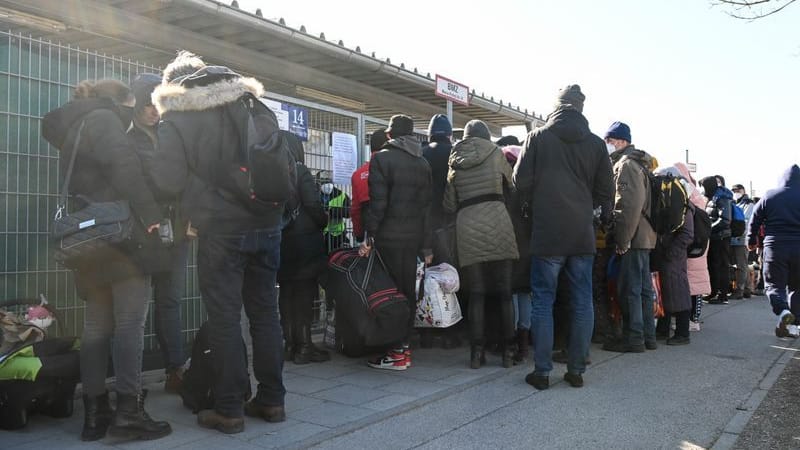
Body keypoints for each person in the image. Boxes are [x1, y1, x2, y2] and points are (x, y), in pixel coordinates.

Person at [151, 52, 285, 434]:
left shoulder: (180, 115)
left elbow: (168, 181)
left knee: (225, 318)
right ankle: (272, 400)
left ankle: (229, 409)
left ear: (179, 85)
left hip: (222, 229)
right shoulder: (256, 106)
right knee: (265, 313)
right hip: (268, 223)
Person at [42, 79, 171, 441]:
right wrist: (151, 216)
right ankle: (129, 412)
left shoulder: (75, 127)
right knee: (130, 322)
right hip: (119, 238)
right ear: (121, 104)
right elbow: (125, 169)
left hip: (87, 240)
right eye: (131, 108)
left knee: (96, 327)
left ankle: (95, 414)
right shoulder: (105, 119)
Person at [513, 85, 614, 390]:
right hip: (581, 234)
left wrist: (535, 204)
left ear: (557, 106)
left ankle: (542, 372)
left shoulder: (538, 138)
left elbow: (520, 182)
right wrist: (589, 209)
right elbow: (606, 191)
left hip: (547, 232)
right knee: (583, 300)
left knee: (543, 299)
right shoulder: (597, 145)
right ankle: (576, 369)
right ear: (581, 108)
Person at [128, 73, 188, 393]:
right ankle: (131, 380)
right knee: (134, 307)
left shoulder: (168, 135)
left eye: (157, 103)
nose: (153, 110)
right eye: (146, 103)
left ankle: (174, 370)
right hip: (142, 230)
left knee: (170, 300)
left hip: (175, 230)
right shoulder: (128, 137)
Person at [443, 120, 519, 369]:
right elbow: (511, 186)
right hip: (499, 224)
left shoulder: (454, 161)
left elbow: (449, 205)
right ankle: (509, 352)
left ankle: (476, 354)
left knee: (476, 294)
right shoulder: (496, 153)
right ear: (486, 136)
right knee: (505, 293)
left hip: (467, 228)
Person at [361, 114, 433, 371]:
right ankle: (405, 349)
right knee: (407, 292)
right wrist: (426, 247)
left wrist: (369, 236)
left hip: (388, 238)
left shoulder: (381, 159)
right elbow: (427, 210)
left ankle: (394, 352)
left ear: (390, 135)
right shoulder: (423, 163)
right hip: (413, 239)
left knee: (389, 294)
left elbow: (377, 204)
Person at [602, 121, 658, 354]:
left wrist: (623, 240)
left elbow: (628, 206)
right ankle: (647, 336)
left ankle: (634, 338)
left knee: (631, 289)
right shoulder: (639, 164)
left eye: (610, 140)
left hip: (634, 237)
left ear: (622, 141)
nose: (608, 145)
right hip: (645, 236)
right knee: (643, 288)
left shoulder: (626, 165)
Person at [278, 131, 330, 364]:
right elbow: (312, 204)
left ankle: (290, 345)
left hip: (282, 241)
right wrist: (323, 220)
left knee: (286, 292)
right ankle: (305, 346)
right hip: (305, 242)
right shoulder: (300, 170)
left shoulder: (273, 172)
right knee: (304, 294)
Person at [747, 165, 800, 338]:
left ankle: (783, 311)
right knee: (797, 288)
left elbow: (755, 220)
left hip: (775, 246)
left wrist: (751, 240)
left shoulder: (770, 195)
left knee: (774, 285)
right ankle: (793, 327)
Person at [653, 166, 694, 345]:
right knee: (666, 292)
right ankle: (663, 329)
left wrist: (672, 252)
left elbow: (687, 233)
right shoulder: (673, 201)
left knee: (677, 292)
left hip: (673, 255)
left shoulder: (682, 203)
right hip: (669, 253)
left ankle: (682, 333)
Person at [501, 143, 533, 364]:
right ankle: (524, 343)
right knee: (525, 294)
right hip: (529, 246)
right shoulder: (531, 185)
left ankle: (511, 342)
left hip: (508, 246)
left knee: (511, 293)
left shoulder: (503, 188)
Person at [675, 163, 711, 331]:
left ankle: (691, 319)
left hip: (689, 243)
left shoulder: (685, 191)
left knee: (691, 283)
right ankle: (694, 319)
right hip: (700, 244)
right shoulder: (696, 193)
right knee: (696, 283)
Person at [700, 175, 733, 304]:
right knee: (713, 265)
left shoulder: (721, 198)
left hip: (721, 236)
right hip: (714, 236)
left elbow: (725, 220)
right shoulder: (713, 197)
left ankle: (722, 294)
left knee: (720, 266)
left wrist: (708, 228)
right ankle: (714, 292)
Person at [351, 128, 388, 241]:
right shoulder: (395, 169)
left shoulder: (358, 175)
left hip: (370, 234)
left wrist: (359, 234)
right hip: (396, 233)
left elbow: (355, 210)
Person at [731, 183, 755, 299]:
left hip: (742, 238)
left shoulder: (748, 203)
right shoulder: (735, 203)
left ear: (743, 190)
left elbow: (746, 221)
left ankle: (740, 290)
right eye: (734, 190)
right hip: (735, 238)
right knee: (742, 265)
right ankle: (747, 289)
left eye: (737, 190)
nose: (735, 192)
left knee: (742, 265)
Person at [318, 172, 352, 252]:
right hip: (319, 233)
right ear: (319, 182)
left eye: (329, 181)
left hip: (337, 234)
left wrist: (332, 211)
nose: (327, 184)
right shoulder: (315, 194)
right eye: (324, 181)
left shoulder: (342, 195)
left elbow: (349, 212)